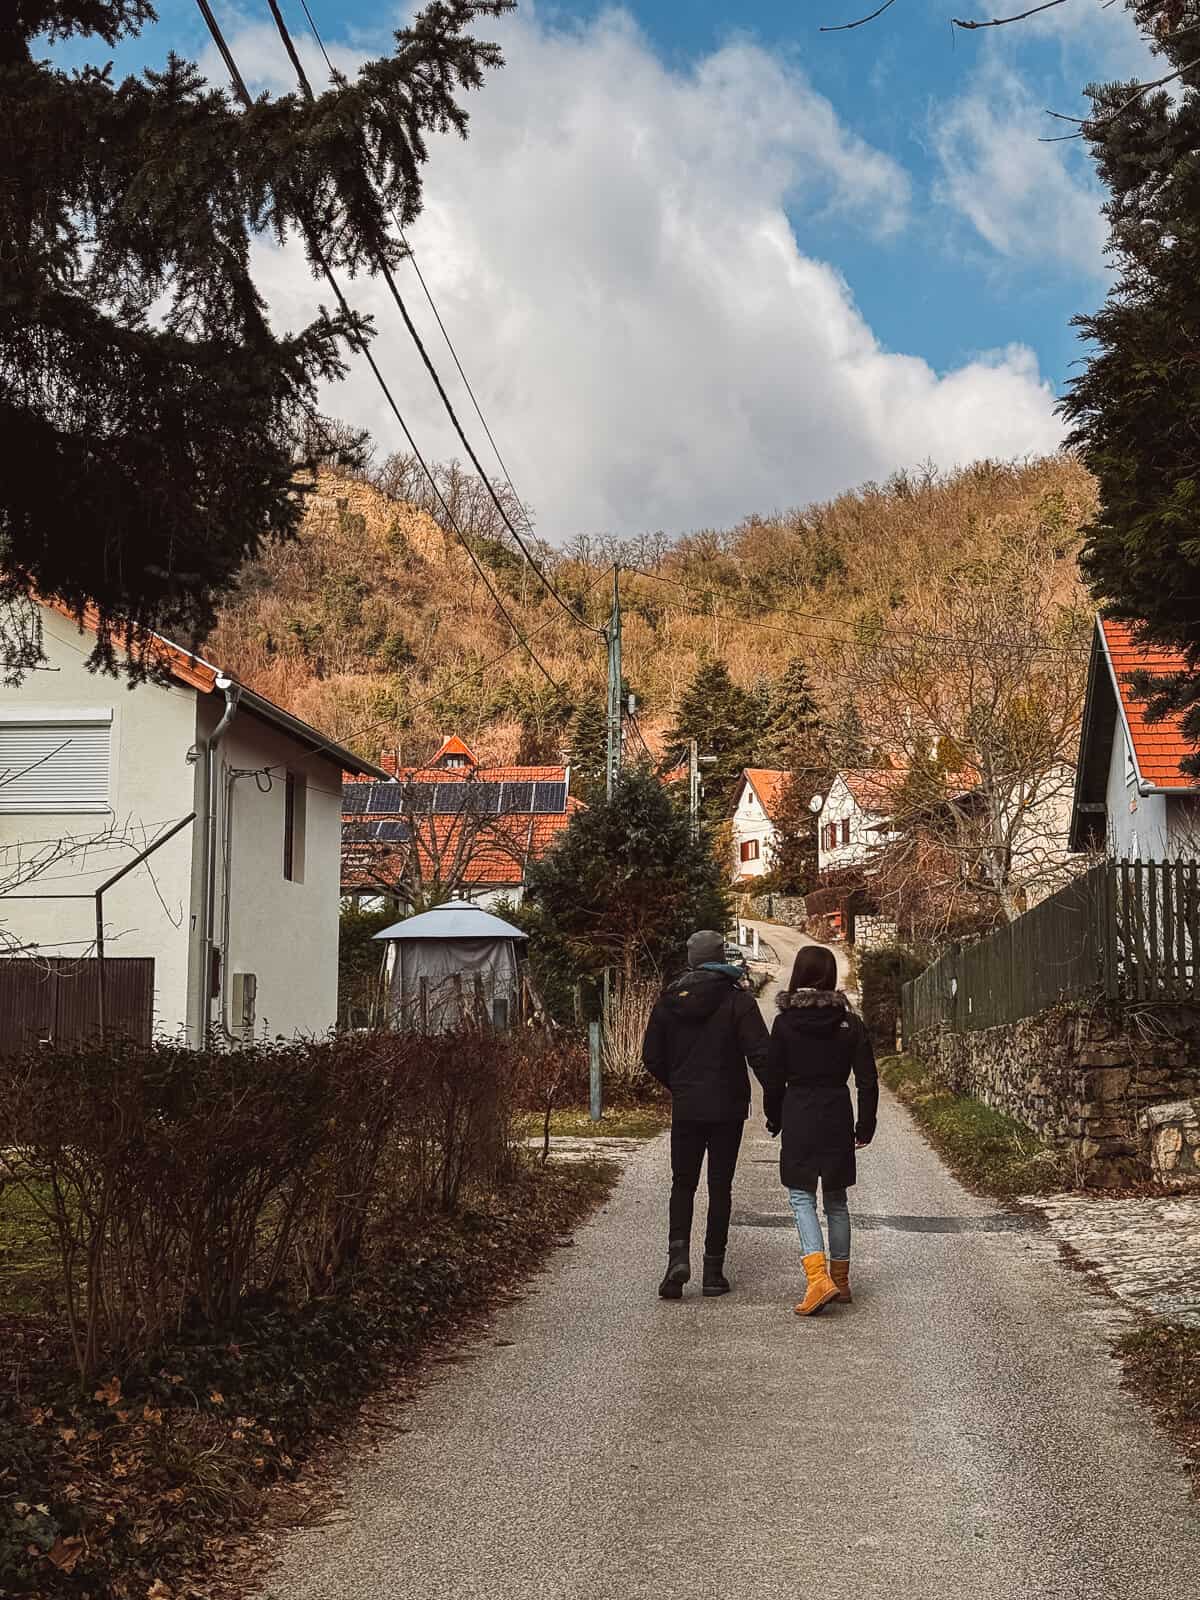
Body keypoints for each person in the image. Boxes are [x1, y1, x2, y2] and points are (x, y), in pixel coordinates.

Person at [641, 929, 770, 1300]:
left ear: (691, 958)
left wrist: (678, 1084)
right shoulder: (738, 1000)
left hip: (687, 1106)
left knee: (683, 1184)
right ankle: (714, 1271)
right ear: (721, 957)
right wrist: (778, 1101)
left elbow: (652, 1057)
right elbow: (760, 1054)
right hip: (728, 1107)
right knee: (719, 1187)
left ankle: (676, 1259)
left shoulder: (669, 1000)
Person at [762, 943, 878, 1317]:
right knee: (836, 1198)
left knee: (801, 1197)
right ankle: (841, 1281)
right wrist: (866, 1123)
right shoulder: (850, 1023)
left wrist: (774, 1117)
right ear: (830, 977)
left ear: (798, 975)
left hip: (798, 1111)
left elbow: (773, 1078)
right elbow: (867, 1079)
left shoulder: (784, 1022)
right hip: (836, 1111)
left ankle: (817, 1279)